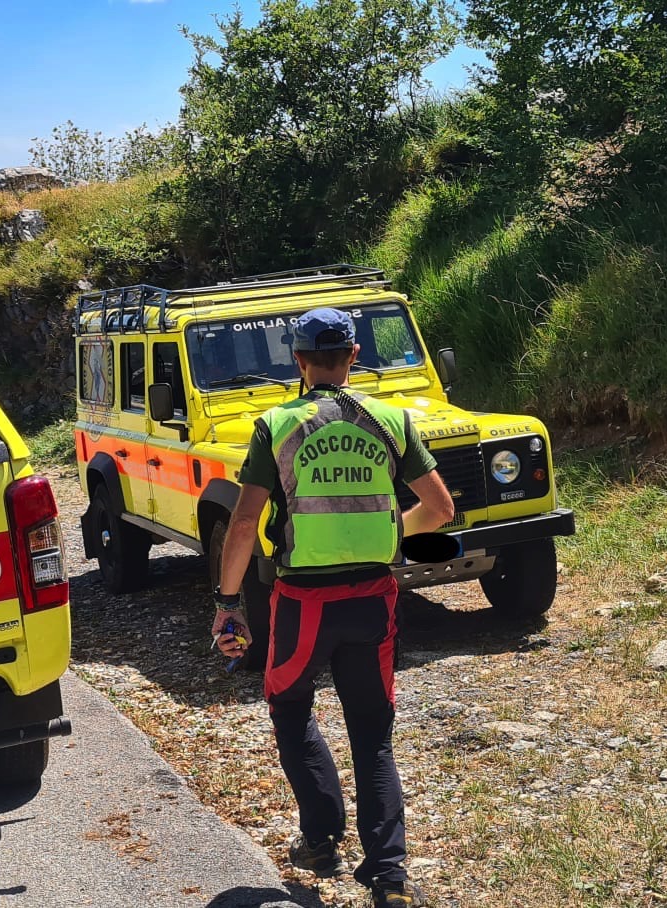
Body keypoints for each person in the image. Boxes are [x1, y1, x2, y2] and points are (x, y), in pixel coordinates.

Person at [212, 307, 454, 908]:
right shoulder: (392, 419)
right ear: (352, 358)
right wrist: (393, 531)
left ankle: (320, 842)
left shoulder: (278, 424)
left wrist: (227, 603)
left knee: (291, 709)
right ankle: (390, 879)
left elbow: (244, 522)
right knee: (372, 735)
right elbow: (441, 509)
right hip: (375, 598)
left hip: (303, 603)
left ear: (298, 362)